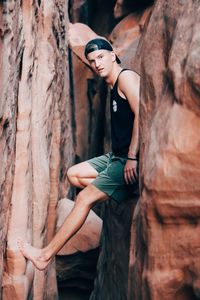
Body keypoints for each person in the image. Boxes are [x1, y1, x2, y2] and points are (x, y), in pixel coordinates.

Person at [18, 38, 140, 271]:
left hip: (128, 159)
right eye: (93, 61)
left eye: (101, 57)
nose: (97, 64)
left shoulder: (126, 78)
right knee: (73, 174)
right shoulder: (111, 85)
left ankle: (44, 255)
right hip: (115, 156)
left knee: (84, 199)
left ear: (113, 55)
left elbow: (142, 113)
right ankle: (120, 189)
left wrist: (133, 157)